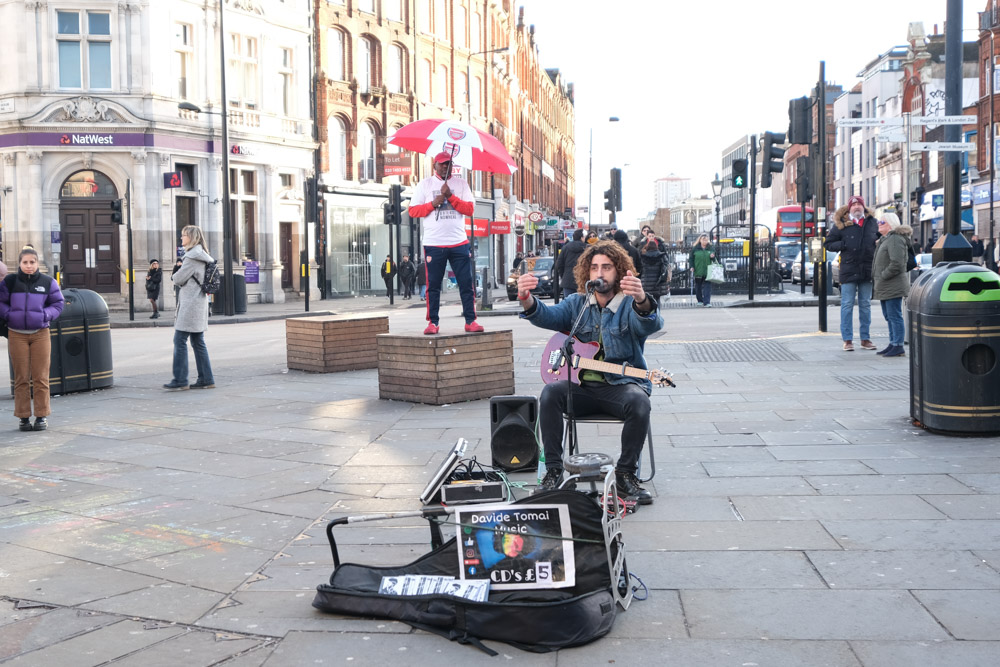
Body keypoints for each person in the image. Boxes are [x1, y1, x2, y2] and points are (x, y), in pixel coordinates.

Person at [516, 240, 663, 505]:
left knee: (639, 401)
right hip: (580, 389)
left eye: (606, 267)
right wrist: (527, 300)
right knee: (550, 393)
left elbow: (650, 323)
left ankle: (625, 474)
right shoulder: (577, 303)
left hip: (620, 386)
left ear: (618, 271)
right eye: (594, 267)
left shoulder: (629, 305)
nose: (599, 273)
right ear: (587, 272)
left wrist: (642, 299)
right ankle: (553, 471)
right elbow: (547, 317)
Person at [407, 151, 483, 335]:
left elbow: (470, 209)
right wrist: (433, 204)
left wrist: (450, 196)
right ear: (434, 166)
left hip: (459, 242)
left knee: (466, 283)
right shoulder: (425, 184)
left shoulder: (461, 184)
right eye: (441, 164)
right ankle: (433, 322)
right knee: (432, 285)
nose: (444, 166)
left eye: (447, 163)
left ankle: (470, 321)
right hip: (434, 243)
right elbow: (413, 211)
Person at [0, 246, 65, 431]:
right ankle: (23, 417)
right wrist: (10, 314)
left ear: (37, 263)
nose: (29, 266)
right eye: (25, 262)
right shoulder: (10, 282)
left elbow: (58, 303)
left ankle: (41, 416)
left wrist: (45, 315)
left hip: (40, 334)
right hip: (16, 334)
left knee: (41, 377)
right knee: (21, 378)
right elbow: (0, 301)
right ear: (19, 264)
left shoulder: (48, 282)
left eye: (32, 262)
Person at [825, 195, 879, 352]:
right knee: (847, 304)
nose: (857, 207)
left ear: (864, 207)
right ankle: (847, 340)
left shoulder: (872, 223)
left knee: (865, 305)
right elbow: (828, 244)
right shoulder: (841, 224)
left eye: (859, 204)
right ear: (849, 208)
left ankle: (865, 339)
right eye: (854, 205)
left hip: (867, 270)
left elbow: (882, 238)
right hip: (848, 269)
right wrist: (843, 244)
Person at [165, 225, 215, 391]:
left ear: (191, 238)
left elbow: (178, 278)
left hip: (190, 304)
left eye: (184, 235)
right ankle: (206, 379)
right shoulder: (201, 255)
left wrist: (175, 273)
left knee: (179, 340)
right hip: (198, 302)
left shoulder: (192, 257)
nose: (181, 238)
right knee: (197, 341)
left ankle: (180, 380)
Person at [872, 212, 911, 358]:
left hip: (892, 284)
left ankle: (898, 345)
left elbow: (897, 263)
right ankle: (893, 342)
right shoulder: (886, 239)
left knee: (894, 316)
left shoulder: (895, 239)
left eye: (881, 222)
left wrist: (883, 276)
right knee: (889, 315)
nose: (878, 224)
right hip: (885, 285)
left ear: (890, 224)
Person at [554, 229, 588, 298]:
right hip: (583, 280)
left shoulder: (566, 247)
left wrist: (563, 276)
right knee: (583, 304)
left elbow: (559, 264)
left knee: (568, 305)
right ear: (582, 237)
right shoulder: (587, 248)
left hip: (567, 280)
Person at [689, 234, 716, 307]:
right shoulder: (695, 248)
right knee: (698, 286)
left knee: (707, 286)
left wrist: (712, 256)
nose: (705, 241)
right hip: (698, 270)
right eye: (703, 240)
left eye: (706, 240)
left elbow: (714, 258)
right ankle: (700, 300)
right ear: (700, 240)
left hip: (708, 270)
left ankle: (707, 302)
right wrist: (691, 266)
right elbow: (691, 258)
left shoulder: (711, 248)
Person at [640, 241, 670, 305]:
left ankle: (650, 314)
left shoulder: (643, 257)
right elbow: (667, 266)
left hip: (646, 283)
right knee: (657, 300)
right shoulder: (662, 256)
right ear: (656, 247)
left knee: (647, 302)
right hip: (658, 283)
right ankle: (657, 313)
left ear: (647, 247)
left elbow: (640, 269)